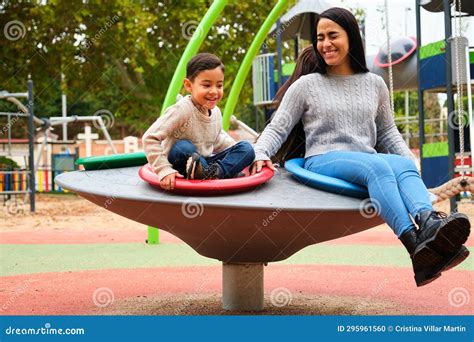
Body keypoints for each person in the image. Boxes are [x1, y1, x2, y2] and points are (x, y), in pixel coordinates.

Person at [251, 7, 470, 287]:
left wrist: (417, 181)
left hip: (364, 160)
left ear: (351, 38)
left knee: (403, 164)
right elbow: (278, 127)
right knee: (377, 165)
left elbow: (388, 133)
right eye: (320, 37)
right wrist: (260, 152)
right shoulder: (307, 85)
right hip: (323, 159)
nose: (325, 44)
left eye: (332, 35)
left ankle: (427, 226)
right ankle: (414, 245)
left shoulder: (375, 84)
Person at [143, 53, 255, 190]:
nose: (214, 91)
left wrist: (238, 152)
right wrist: (163, 169)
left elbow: (218, 139)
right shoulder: (182, 109)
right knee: (183, 147)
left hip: (204, 164)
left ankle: (216, 173)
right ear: (188, 85)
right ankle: (219, 173)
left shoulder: (216, 113)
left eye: (219, 86)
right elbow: (149, 138)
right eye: (207, 85)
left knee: (246, 148)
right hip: (179, 163)